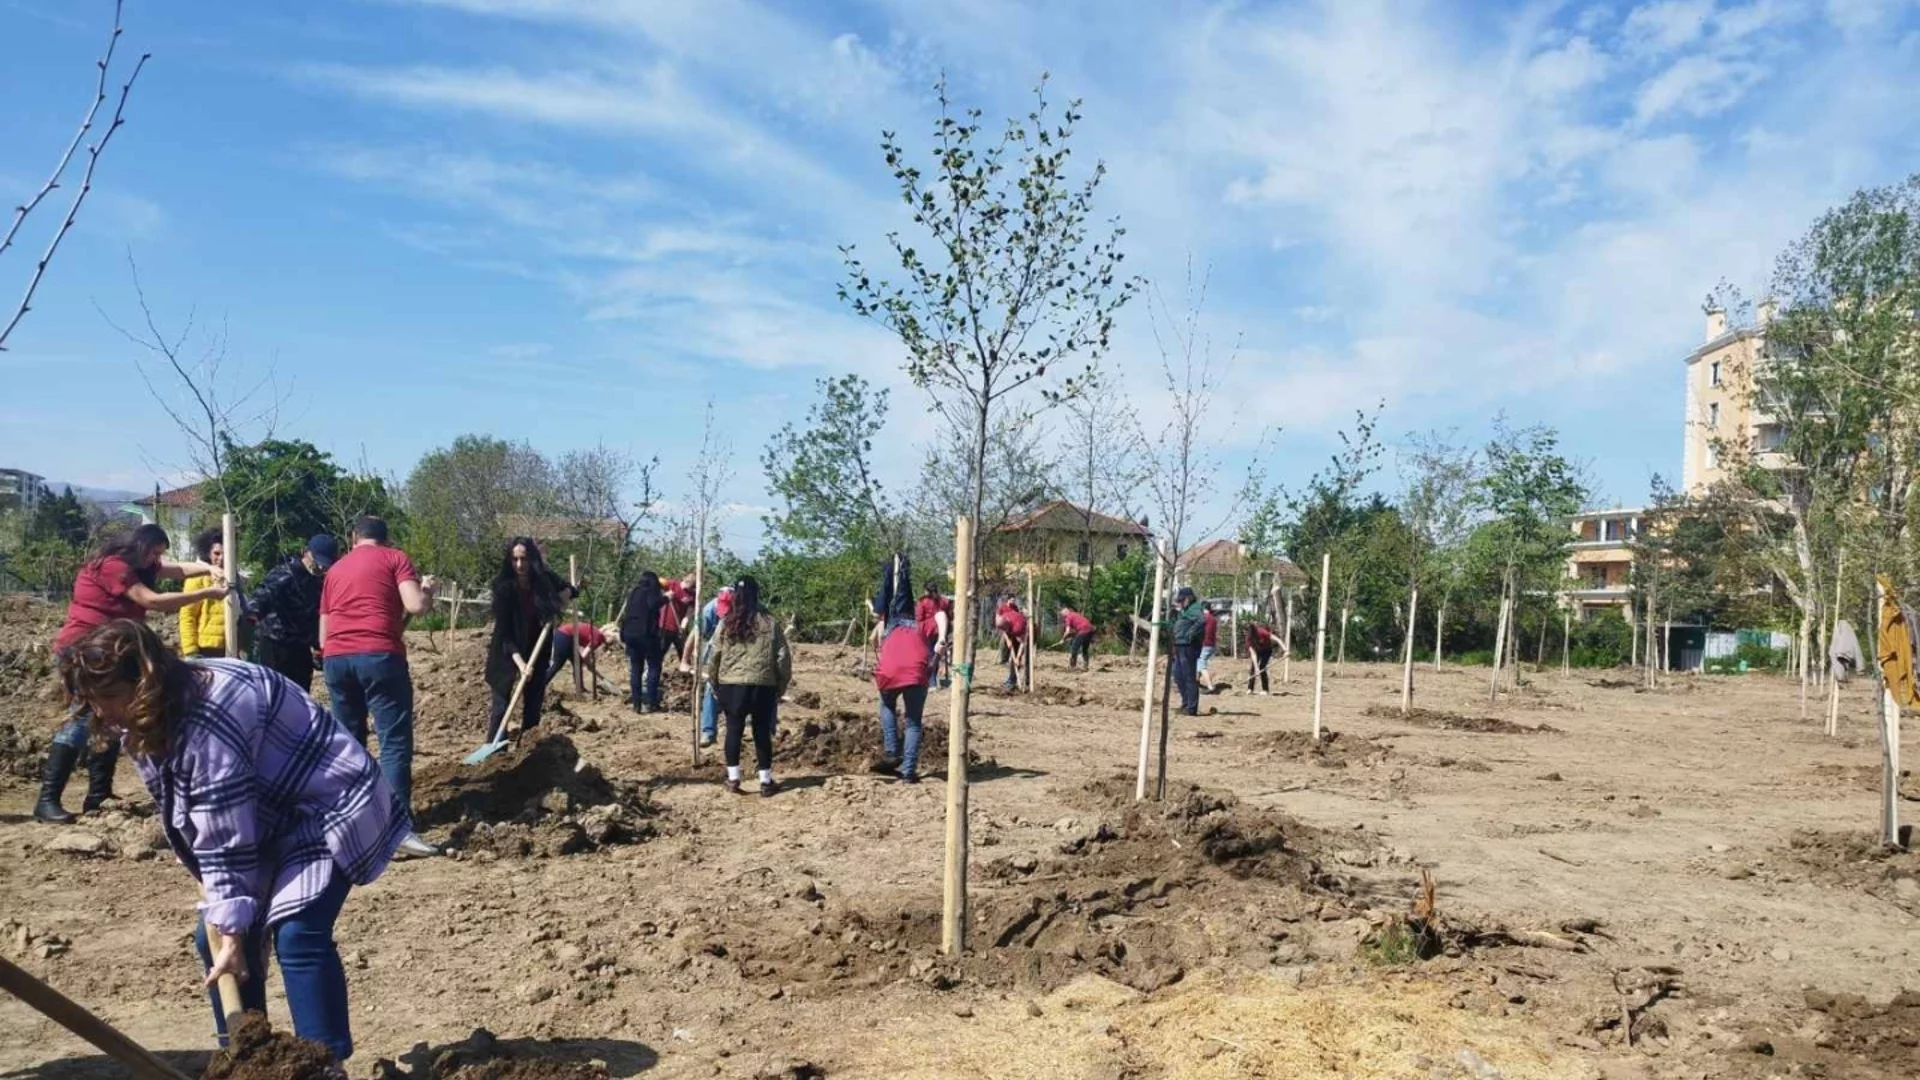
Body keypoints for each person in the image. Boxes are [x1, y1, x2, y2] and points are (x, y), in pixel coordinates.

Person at [59, 619, 404, 1064]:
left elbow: (225, 833)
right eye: (92, 699)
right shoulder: (150, 712)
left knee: (299, 933)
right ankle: (248, 1059)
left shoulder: (211, 717)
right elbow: (189, 811)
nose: (101, 711)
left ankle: (324, 1065)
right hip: (268, 812)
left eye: (107, 697)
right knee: (215, 943)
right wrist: (227, 919)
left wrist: (233, 928)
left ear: (143, 680)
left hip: (329, 804)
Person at [34, 523, 228, 825]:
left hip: (111, 653)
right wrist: (208, 592)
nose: (156, 560)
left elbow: (176, 570)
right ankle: (47, 800)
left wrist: (207, 569)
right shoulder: (114, 567)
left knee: (115, 717)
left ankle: (99, 795)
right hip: (83, 652)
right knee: (83, 718)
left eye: (160, 555)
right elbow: (151, 601)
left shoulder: (139, 564)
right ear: (140, 546)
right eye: (155, 553)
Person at [319, 516, 438, 860]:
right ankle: (395, 830)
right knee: (394, 741)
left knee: (348, 744)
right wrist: (427, 589)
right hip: (380, 657)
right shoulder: (395, 559)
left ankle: (349, 827)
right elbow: (415, 605)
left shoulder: (336, 570)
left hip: (337, 658)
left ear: (353, 537)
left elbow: (323, 636)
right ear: (385, 539)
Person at [484, 537, 576, 743]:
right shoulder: (503, 588)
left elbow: (570, 589)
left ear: (532, 559)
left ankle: (529, 751)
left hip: (537, 648)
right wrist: (521, 664)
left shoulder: (544, 581)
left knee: (533, 704)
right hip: (507, 650)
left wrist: (565, 595)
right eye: (515, 559)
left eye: (524, 559)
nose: (519, 565)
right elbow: (504, 634)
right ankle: (496, 752)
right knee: (501, 707)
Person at [706, 575, 791, 796]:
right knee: (761, 732)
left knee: (733, 729)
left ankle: (734, 778)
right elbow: (783, 657)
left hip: (731, 684)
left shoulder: (726, 622)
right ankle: (765, 781)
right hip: (763, 685)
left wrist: (714, 681)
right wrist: (780, 686)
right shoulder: (770, 623)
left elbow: (714, 653)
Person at [248, 534, 337, 692]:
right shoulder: (285, 574)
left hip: (300, 647)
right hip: (275, 644)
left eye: (325, 565)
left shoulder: (317, 583)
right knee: (275, 694)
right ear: (306, 553)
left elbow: (314, 616)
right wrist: (252, 614)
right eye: (318, 562)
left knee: (300, 695)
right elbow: (262, 596)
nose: (321, 568)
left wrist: (318, 646)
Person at [873, 557, 932, 783]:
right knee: (913, 721)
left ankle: (891, 750)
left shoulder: (889, 623)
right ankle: (908, 772)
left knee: (887, 704)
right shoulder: (920, 623)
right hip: (917, 672)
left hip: (891, 671)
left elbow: (881, 613)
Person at [178, 528, 230, 660]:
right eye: (216, 553)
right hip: (206, 649)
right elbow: (187, 615)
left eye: (225, 553)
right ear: (208, 553)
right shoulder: (198, 577)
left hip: (230, 648)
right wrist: (190, 651)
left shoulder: (235, 578)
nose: (221, 558)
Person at [619, 572, 667, 713]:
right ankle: (652, 702)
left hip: (629, 633)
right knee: (654, 666)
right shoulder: (651, 591)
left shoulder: (634, 592)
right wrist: (665, 599)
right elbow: (653, 605)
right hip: (646, 634)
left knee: (636, 668)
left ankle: (637, 703)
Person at [694, 585, 734, 747]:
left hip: (739, 657)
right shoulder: (709, 610)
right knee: (711, 689)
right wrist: (688, 656)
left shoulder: (748, 612)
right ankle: (708, 731)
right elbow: (697, 632)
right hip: (716, 653)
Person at [1170, 587, 1205, 716]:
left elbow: (1201, 621)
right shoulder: (1186, 610)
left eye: (1182, 600)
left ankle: (1191, 708)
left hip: (1188, 647)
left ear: (1189, 598)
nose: (1180, 602)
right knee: (1178, 675)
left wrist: (1190, 634)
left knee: (1189, 677)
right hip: (1179, 645)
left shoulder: (1195, 608)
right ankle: (1185, 703)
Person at [916, 583, 953, 687]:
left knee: (930, 655)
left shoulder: (923, 602)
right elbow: (950, 614)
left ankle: (931, 682)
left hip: (928, 630)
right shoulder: (943, 601)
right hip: (942, 630)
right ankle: (933, 681)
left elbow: (919, 618)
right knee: (936, 655)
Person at [998, 599, 1028, 691]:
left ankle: (1025, 682)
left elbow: (1023, 642)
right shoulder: (1004, 618)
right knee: (1012, 660)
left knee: (1021, 660)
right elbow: (1004, 630)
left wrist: (1018, 657)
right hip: (1014, 631)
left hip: (1026, 633)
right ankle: (1011, 680)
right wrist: (1008, 640)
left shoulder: (1017, 628)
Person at [1245, 620, 1277, 694]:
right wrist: (1256, 668)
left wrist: (1285, 649)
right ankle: (1250, 689)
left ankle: (1265, 690)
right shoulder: (1248, 639)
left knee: (1262, 667)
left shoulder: (1262, 632)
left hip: (1267, 650)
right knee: (1253, 668)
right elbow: (1253, 654)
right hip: (1257, 651)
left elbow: (1277, 639)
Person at [1059, 605, 1096, 670]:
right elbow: (1079, 626)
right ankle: (1085, 666)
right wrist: (1073, 636)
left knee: (1074, 648)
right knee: (1085, 649)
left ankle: (1072, 666)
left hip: (1083, 630)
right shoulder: (1075, 614)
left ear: (1065, 612)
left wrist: (1063, 639)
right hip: (1091, 630)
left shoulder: (1068, 617)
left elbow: (1067, 631)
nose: (1062, 616)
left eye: (1062, 614)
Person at [1198, 604, 1221, 692]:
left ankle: (1210, 687)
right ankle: (1196, 683)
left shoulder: (1204, 618)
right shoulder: (1213, 619)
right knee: (1198, 663)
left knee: (1201, 665)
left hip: (1204, 644)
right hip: (1211, 645)